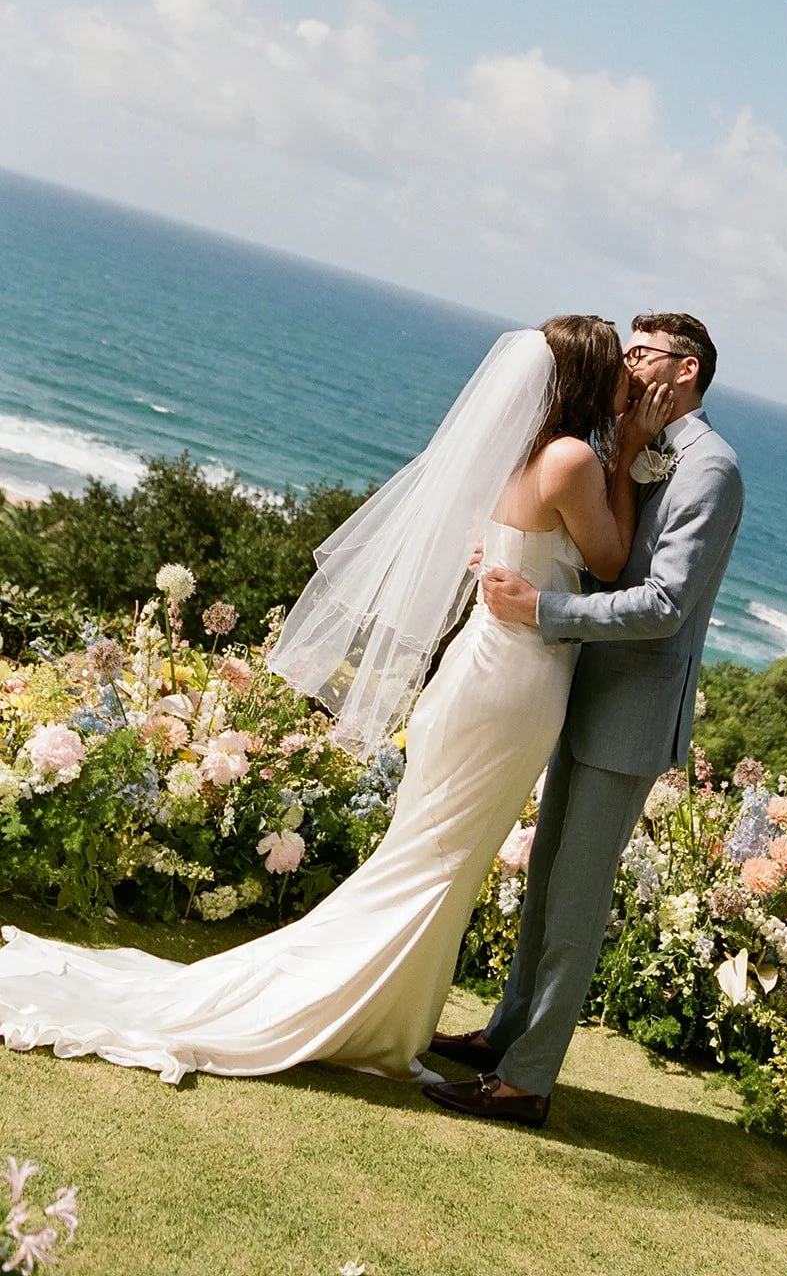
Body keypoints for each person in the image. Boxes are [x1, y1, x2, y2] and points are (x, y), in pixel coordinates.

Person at [0, 317, 671, 1086]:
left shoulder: (522, 450)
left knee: (433, 850)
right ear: (589, 375)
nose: (631, 375)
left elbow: (523, 548)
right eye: (619, 363)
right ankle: (356, 1015)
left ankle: (386, 1014)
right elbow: (614, 559)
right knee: (440, 856)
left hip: (485, 672)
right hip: (512, 681)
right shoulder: (574, 458)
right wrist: (623, 457)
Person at [424, 311, 743, 1127]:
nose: (627, 366)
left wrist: (542, 606)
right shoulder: (626, 444)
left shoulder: (709, 469)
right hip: (574, 685)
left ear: (685, 372)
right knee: (546, 882)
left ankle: (527, 1081)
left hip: (627, 709)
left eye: (641, 355)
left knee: (574, 898)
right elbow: (597, 548)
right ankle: (503, 1037)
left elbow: (665, 604)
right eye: (626, 352)